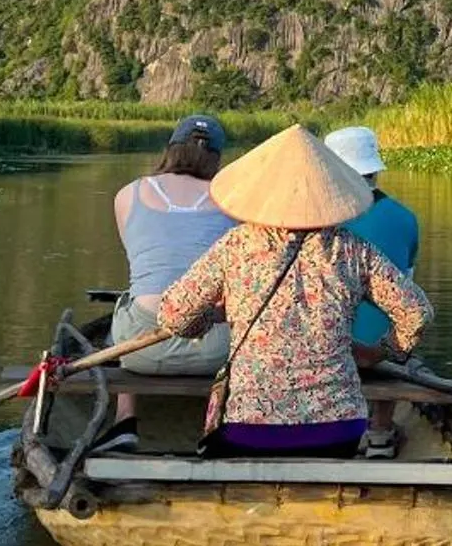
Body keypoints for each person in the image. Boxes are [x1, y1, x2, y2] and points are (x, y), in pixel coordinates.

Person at [157, 124, 435, 455]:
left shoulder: (237, 245)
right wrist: (384, 351)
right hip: (338, 430)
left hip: (249, 428)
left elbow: (173, 316)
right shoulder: (352, 249)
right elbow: (416, 314)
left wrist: (209, 320)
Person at [98, 113, 233, 453]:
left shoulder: (128, 194)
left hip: (139, 349)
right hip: (214, 349)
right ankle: (216, 421)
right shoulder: (234, 200)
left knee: (131, 299)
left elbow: (139, 259)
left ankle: (125, 420)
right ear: (216, 157)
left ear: (171, 150)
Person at [323, 125, 420, 362]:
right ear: (374, 170)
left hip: (330, 350)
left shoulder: (320, 218)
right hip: (386, 350)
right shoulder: (406, 218)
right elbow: (407, 282)